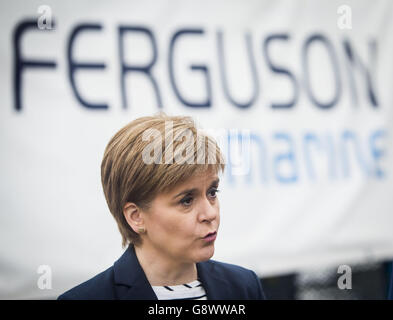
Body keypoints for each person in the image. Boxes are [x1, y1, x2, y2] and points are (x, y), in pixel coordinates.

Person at [58, 113, 266, 300]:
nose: (210, 213)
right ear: (136, 216)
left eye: (212, 193)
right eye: (186, 200)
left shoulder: (244, 286)